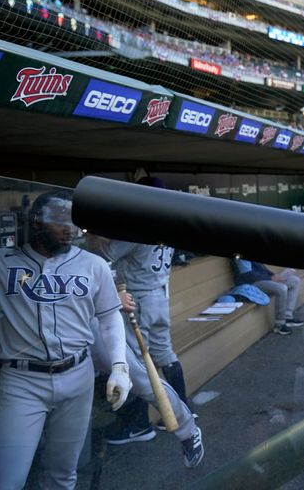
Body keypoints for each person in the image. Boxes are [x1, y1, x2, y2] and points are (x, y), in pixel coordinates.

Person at [0, 191, 131, 489]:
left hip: (78, 374)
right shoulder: (3, 263)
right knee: (9, 478)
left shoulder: (93, 265)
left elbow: (110, 319)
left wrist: (120, 367)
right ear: (36, 222)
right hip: (21, 380)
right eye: (61, 221)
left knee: (63, 473)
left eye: (75, 222)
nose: (71, 229)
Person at [97, 176, 189, 443]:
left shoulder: (140, 226)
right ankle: (183, 410)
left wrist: (96, 235)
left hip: (139, 299)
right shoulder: (167, 221)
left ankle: (138, 425)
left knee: (135, 363)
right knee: (164, 353)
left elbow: (105, 254)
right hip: (160, 295)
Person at [89, 291, 204, 467]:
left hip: (126, 307)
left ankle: (185, 430)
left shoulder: (89, 264)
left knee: (141, 377)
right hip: (154, 295)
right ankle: (140, 425)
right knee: (160, 355)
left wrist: (110, 298)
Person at [232, 259, 303, 335]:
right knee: (281, 288)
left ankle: (287, 316)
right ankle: (279, 324)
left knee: (295, 280)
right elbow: (247, 275)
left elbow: (261, 269)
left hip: (262, 279)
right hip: (250, 284)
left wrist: (274, 275)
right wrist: (270, 278)